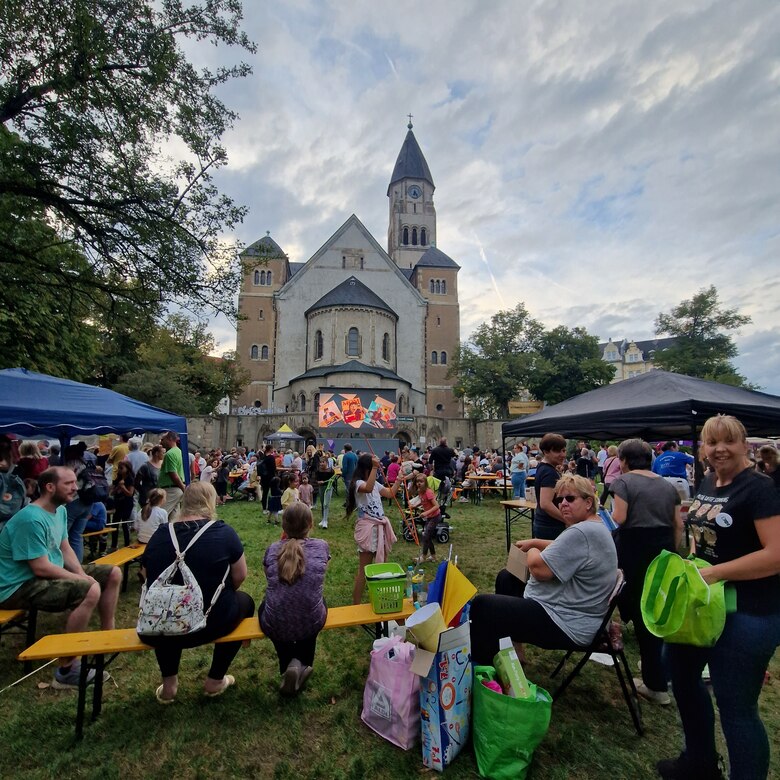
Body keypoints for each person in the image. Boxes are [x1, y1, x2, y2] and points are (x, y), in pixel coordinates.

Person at [658, 415, 780, 780]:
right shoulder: (709, 479)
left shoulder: (759, 488)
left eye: (729, 441)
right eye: (712, 442)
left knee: (735, 706)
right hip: (702, 604)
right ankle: (699, 762)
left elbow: (775, 554)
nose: (719, 448)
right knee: (680, 676)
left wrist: (714, 573)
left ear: (746, 445)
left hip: (749, 612)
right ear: (703, 449)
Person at [470, 474, 618, 665]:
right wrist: (537, 542)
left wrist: (532, 549)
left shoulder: (582, 531)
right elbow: (563, 547)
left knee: (483, 607)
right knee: (507, 578)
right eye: (560, 499)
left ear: (589, 502)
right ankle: (515, 653)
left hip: (568, 622)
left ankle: (485, 676)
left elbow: (539, 569)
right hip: (580, 613)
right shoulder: (595, 527)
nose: (563, 503)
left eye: (570, 498)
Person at [0, 467, 122, 688]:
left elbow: (65, 548)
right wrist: (83, 582)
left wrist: (83, 574)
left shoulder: (61, 510)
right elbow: (41, 568)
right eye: (69, 483)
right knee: (90, 590)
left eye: (75, 482)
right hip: (14, 587)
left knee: (113, 572)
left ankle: (107, 639)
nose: (76, 488)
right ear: (50, 487)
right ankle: (67, 670)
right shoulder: (30, 519)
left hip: (40, 576)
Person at [138, 481, 254, 703]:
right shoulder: (224, 532)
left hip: (157, 627)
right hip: (210, 624)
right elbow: (240, 575)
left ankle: (169, 685)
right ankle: (215, 679)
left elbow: (145, 572)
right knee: (245, 601)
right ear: (209, 502)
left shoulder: (161, 534)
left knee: (167, 609)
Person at [610, 438, 681, 706]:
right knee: (658, 609)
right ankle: (657, 667)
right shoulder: (667, 485)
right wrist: (671, 554)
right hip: (663, 549)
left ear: (624, 460)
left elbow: (619, 518)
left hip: (635, 549)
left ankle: (655, 685)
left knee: (641, 613)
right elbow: (677, 524)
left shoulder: (623, 482)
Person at [259, 503, 329, 695]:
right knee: (314, 606)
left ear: (283, 526)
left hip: (276, 622)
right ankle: (302, 662)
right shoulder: (322, 546)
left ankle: (288, 665)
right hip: (310, 619)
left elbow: (268, 575)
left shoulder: (273, 549)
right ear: (311, 524)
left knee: (269, 608)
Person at [346, 454, 402, 604]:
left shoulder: (376, 484)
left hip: (379, 527)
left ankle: (381, 599)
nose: (376, 472)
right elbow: (368, 488)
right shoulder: (358, 483)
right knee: (364, 570)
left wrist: (398, 480)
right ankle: (355, 605)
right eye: (373, 469)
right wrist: (375, 467)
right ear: (367, 469)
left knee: (382, 567)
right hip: (368, 528)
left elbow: (390, 494)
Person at [533, 433, 568, 539]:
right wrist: (566, 520)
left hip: (545, 524)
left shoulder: (544, 468)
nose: (563, 455)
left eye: (563, 450)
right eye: (557, 451)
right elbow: (545, 503)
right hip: (550, 526)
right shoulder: (549, 472)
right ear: (546, 452)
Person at [410, 471, 441, 563]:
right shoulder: (420, 492)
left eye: (421, 481)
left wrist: (426, 512)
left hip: (435, 516)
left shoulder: (428, 492)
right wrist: (415, 505)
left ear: (426, 483)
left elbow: (437, 506)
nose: (419, 483)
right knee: (427, 537)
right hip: (429, 517)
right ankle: (433, 556)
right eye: (417, 482)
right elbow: (423, 501)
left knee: (425, 536)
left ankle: (423, 557)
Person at [158, 431, 186, 521]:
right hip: (176, 489)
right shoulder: (179, 452)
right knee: (173, 518)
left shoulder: (170, 454)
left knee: (160, 514)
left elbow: (173, 474)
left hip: (170, 490)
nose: (160, 442)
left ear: (170, 439)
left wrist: (184, 489)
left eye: (163, 439)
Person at [109, 460, 135, 548]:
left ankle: (127, 544)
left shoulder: (130, 479)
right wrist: (117, 488)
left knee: (125, 523)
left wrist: (123, 487)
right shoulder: (118, 479)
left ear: (127, 469)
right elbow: (112, 492)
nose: (119, 470)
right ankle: (113, 544)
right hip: (118, 503)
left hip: (126, 504)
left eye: (121, 468)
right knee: (115, 523)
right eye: (119, 468)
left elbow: (130, 493)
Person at [136, 444, 164, 510]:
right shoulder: (145, 466)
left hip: (160, 496)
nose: (163, 454)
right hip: (147, 497)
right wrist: (143, 491)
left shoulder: (163, 464)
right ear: (157, 453)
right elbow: (136, 482)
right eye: (162, 453)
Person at [260, 444, 277, 514]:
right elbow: (274, 468)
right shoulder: (271, 457)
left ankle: (264, 508)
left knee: (265, 493)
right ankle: (272, 508)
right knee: (273, 493)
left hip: (264, 477)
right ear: (270, 449)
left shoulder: (263, 457)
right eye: (272, 449)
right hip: (271, 477)